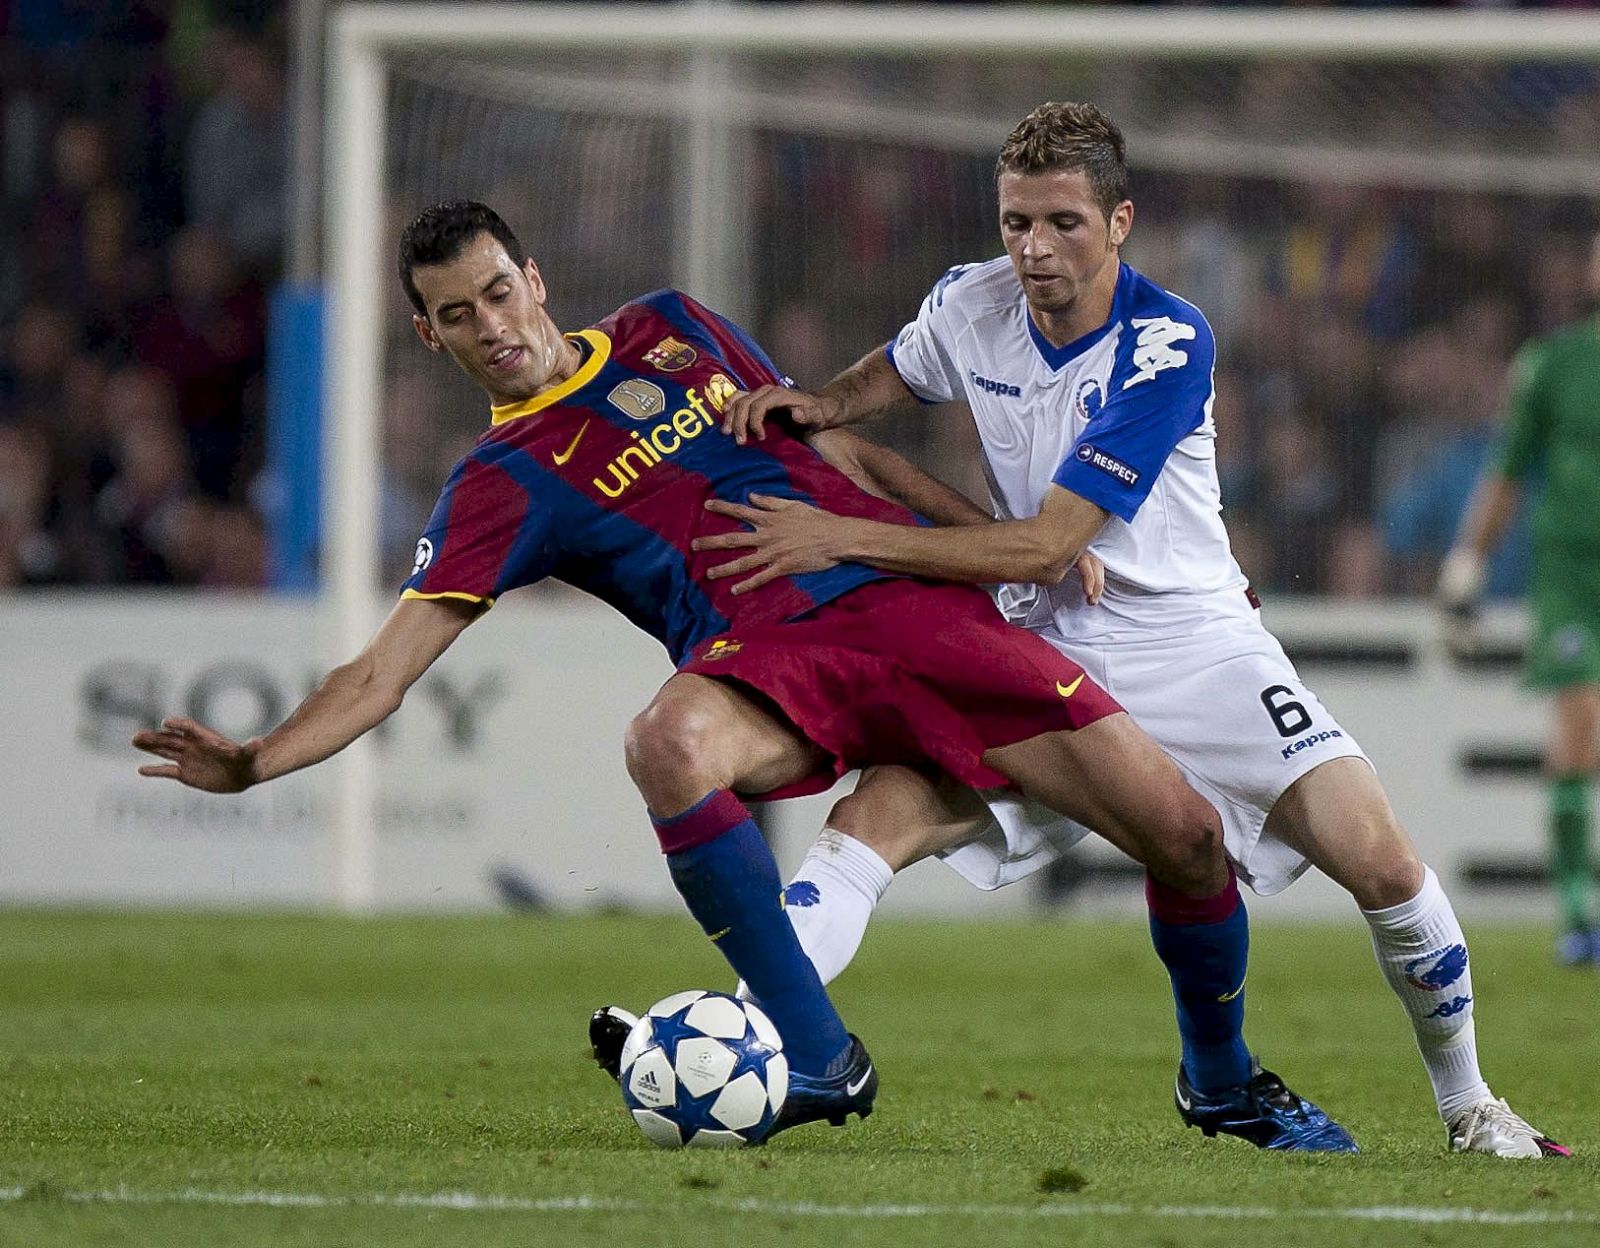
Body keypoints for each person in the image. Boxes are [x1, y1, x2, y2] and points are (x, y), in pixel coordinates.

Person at [131, 199, 1332, 1146]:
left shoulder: (673, 326)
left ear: (533, 280)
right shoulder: (497, 485)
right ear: (429, 336)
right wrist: (257, 761)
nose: (490, 325)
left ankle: (1219, 1079)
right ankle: (820, 1057)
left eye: (497, 292)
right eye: (456, 315)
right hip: (763, 655)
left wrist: (1011, 554)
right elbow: (383, 673)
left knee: (1183, 839)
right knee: (666, 743)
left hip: (911, 606)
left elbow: (840, 451)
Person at [701, 103, 1565, 1159]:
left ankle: (1471, 1107)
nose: (1034, 249)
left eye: (1062, 223)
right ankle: (730, 1040)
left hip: (1193, 643)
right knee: (872, 824)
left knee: (1381, 864)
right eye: (1016, 222)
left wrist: (840, 535)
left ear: (1119, 223)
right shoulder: (971, 300)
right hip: (1038, 642)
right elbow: (901, 365)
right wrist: (831, 403)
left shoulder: (1166, 341)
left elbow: (1045, 547)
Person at [1439, 229, 1600, 969]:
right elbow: (1509, 468)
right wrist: (1467, 563)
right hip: (1572, 576)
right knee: (1581, 725)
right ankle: (1578, 912)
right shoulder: (1553, 363)